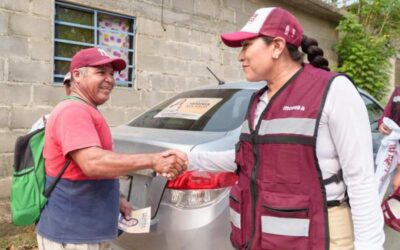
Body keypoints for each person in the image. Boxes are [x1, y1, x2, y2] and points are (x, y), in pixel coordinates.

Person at [189, 7, 384, 250]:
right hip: (265, 240)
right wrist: (188, 158)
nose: (240, 56)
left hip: (321, 236)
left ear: (277, 46)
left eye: (247, 45)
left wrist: (370, 246)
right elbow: (245, 159)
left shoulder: (334, 90)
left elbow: (361, 179)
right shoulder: (259, 101)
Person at [36, 47, 188, 250]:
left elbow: (89, 170)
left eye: (111, 73)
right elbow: (92, 163)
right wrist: (153, 160)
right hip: (72, 236)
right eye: (101, 72)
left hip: (87, 233)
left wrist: (118, 199)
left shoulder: (87, 110)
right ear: (77, 76)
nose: (110, 79)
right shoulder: (73, 111)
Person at [378, 86, 400, 192]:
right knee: (381, 182)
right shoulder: (398, 91)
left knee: (397, 184)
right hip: (394, 143)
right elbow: (387, 115)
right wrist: (382, 123)